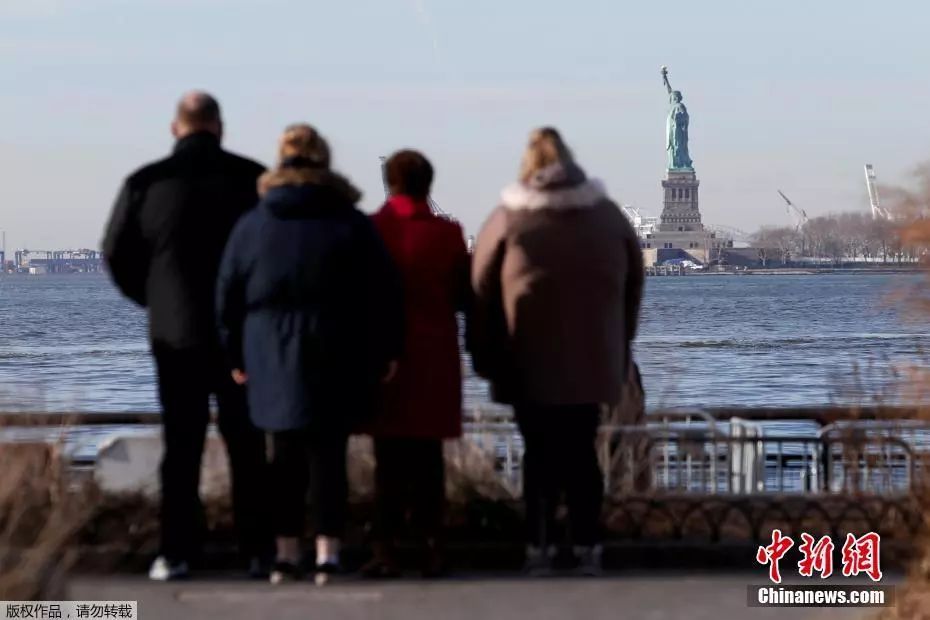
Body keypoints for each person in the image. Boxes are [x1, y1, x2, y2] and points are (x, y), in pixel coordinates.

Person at [216, 124, 403, 585]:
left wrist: (235, 353)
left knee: (283, 457)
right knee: (328, 456)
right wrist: (386, 350)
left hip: (269, 349)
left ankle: (284, 554)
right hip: (337, 347)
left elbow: (228, 294)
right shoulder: (350, 221)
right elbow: (382, 292)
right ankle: (328, 554)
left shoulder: (253, 223)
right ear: (325, 160)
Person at [102, 92, 272, 581]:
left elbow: (115, 253)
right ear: (219, 128)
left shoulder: (144, 183)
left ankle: (177, 551)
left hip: (175, 334)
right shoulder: (251, 180)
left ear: (175, 129)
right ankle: (257, 550)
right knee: (246, 445)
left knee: (182, 446)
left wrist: (153, 298)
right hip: (240, 333)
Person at [470, 127, 644, 577]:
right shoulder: (606, 216)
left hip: (526, 359)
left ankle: (539, 545)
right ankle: (588, 545)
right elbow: (633, 283)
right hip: (591, 359)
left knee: (538, 454)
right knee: (583, 454)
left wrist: (485, 351)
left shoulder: (509, 218)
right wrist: (618, 341)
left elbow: (479, 289)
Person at [361, 150, 470, 578]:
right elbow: (463, 294)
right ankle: (432, 546)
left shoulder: (372, 231)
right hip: (434, 355)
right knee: (429, 459)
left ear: (390, 183)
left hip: (384, 359)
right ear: (429, 183)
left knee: (387, 460)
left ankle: (386, 548)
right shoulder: (447, 234)